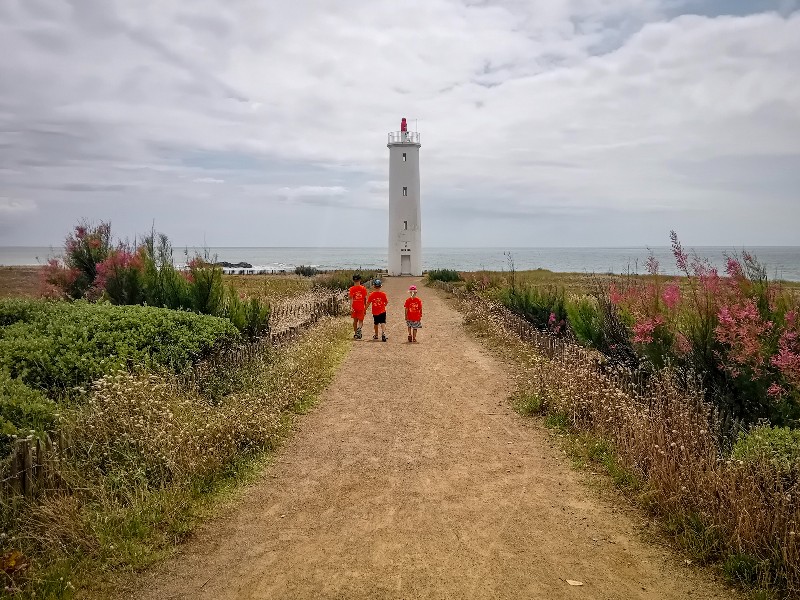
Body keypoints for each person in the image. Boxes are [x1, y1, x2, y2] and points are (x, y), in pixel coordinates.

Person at [348, 274, 368, 339]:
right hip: (361, 306)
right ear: (360, 280)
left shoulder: (351, 289)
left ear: (353, 280)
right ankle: (359, 328)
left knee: (355, 320)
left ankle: (356, 333)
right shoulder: (363, 288)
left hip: (354, 306)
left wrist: (351, 307)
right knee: (361, 320)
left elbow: (351, 299)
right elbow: (365, 298)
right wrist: (365, 307)